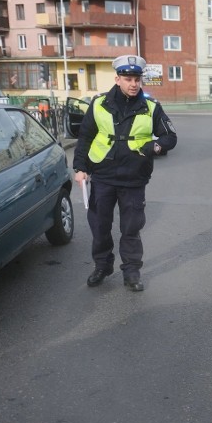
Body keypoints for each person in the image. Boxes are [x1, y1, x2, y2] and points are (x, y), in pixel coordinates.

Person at [72, 55, 177, 292]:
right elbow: (85, 137)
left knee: (131, 229)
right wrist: (80, 168)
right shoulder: (98, 104)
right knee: (100, 227)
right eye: (128, 79)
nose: (133, 84)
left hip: (133, 178)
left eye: (137, 79)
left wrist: (155, 147)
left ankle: (131, 272)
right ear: (117, 79)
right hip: (103, 176)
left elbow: (170, 137)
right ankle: (102, 266)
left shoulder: (151, 107)